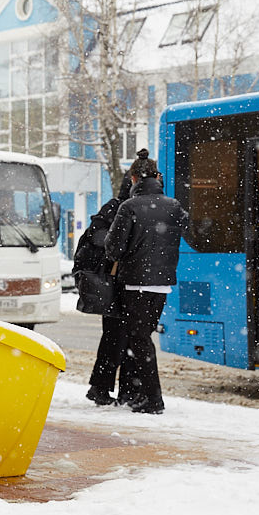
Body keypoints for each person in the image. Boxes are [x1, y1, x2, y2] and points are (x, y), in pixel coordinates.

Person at [104, 149, 187, 414]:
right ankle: (143, 394)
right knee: (143, 337)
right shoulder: (173, 206)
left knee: (139, 340)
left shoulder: (129, 207)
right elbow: (184, 231)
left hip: (135, 284)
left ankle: (153, 399)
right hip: (162, 284)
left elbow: (113, 249)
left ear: (134, 177)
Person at [74, 172, 136, 406]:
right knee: (117, 337)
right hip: (115, 282)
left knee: (118, 337)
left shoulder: (117, 207)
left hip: (117, 281)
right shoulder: (118, 208)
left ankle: (109, 387)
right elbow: (98, 240)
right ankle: (103, 387)